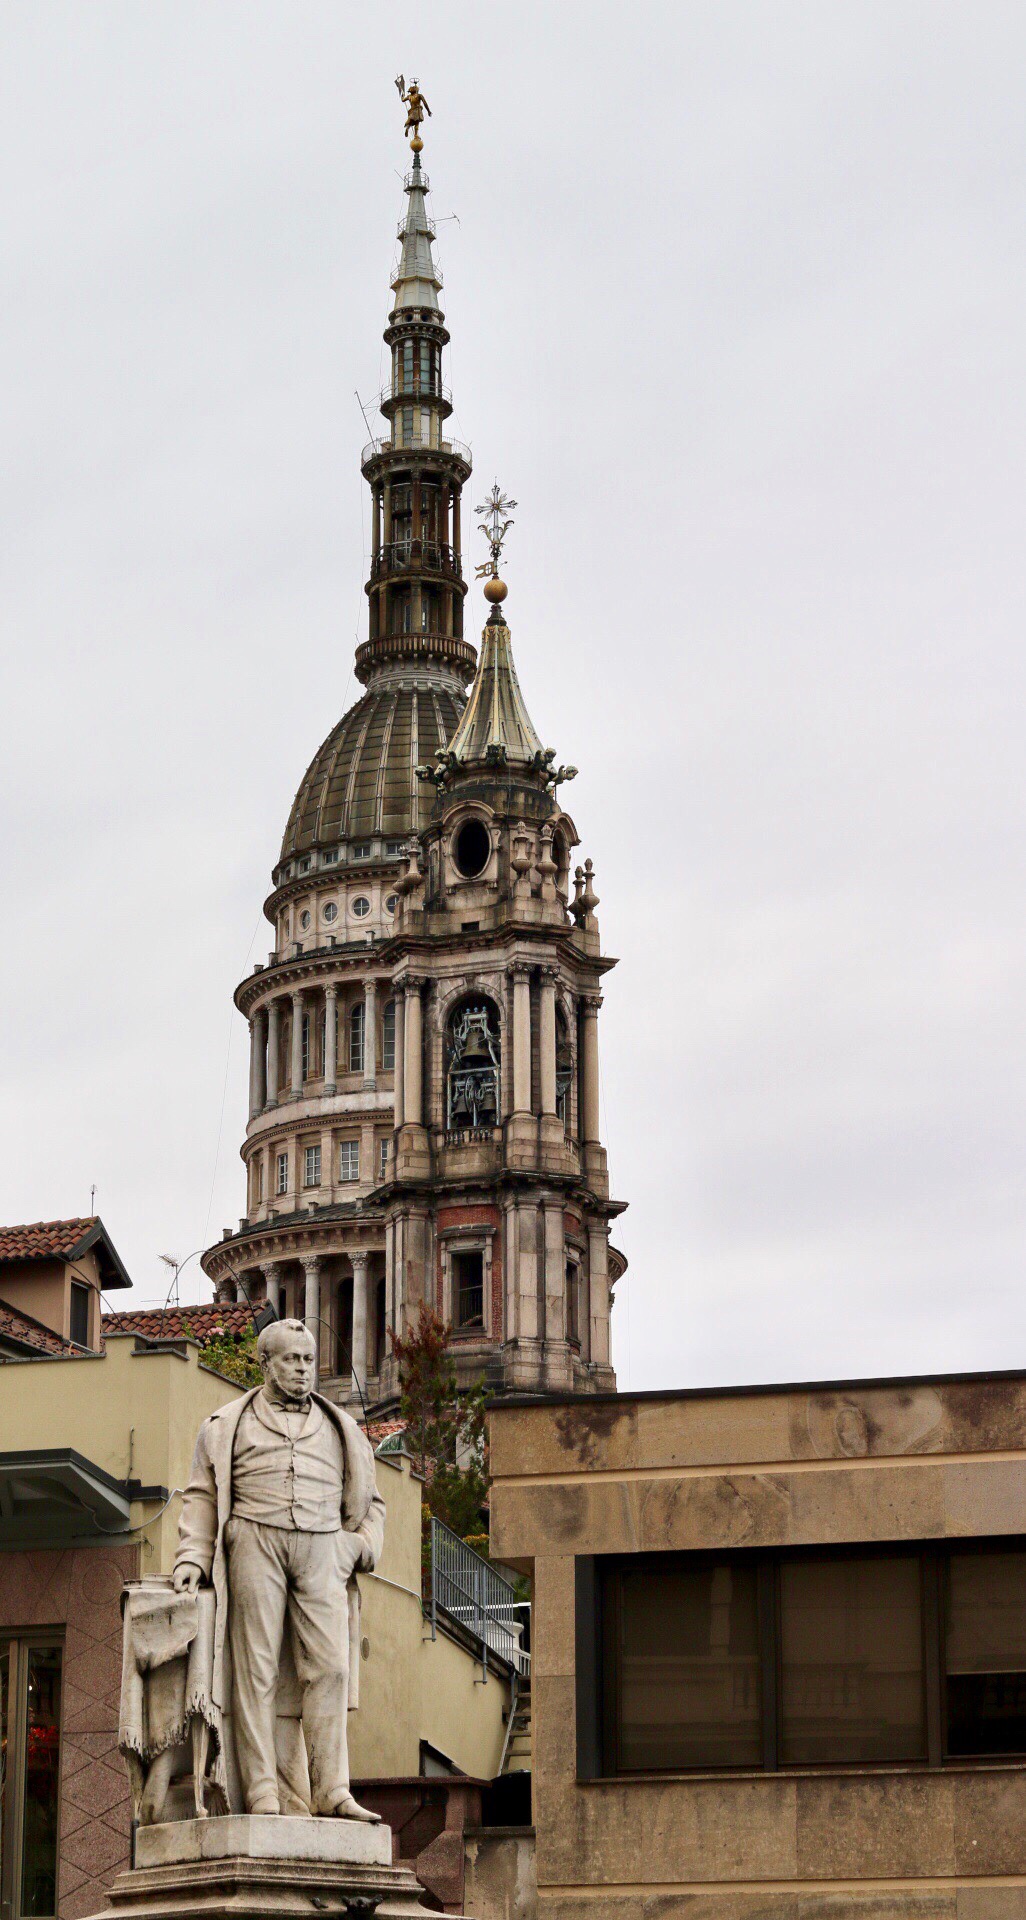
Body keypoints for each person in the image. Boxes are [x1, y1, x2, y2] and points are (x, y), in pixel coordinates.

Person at [173, 1319, 385, 1821]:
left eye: (309, 1360)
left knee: (331, 1667)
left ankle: (332, 1789)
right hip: (253, 1537)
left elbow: (372, 1502)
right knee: (256, 1670)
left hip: (322, 1547)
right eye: (292, 1360)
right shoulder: (225, 1424)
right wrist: (192, 1556)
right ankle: (263, 1792)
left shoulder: (343, 1429)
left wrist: (358, 1546)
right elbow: (202, 1495)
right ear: (265, 1364)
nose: (303, 1370)